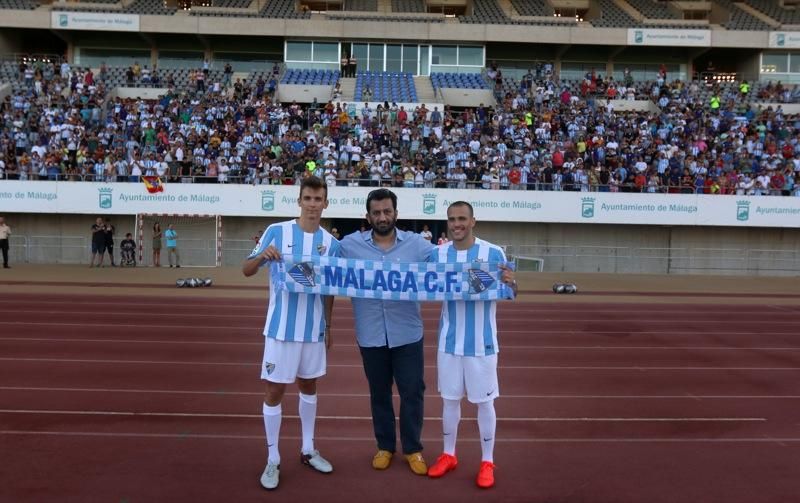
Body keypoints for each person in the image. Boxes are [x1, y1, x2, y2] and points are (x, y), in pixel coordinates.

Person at [243, 176, 339, 491]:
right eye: (308, 198)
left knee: (309, 387)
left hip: (313, 332)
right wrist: (262, 257)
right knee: (274, 392)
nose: (313, 204)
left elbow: (330, 290)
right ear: (299, 200)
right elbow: (246, 269)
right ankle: (273, 459)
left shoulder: (331, 244)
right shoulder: (277, 232)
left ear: (326, 203)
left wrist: (328, 324)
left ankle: (308, 448)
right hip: (280, 330)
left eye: (318, 199)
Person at [339, 188, 434, 475]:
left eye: (387, 211)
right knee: (379, 393)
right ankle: (385, 446)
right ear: (367, 216)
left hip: (407, 334)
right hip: (370, 334)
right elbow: (319, 265)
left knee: (412, 392)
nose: (382, 217)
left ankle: (413, 449)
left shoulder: (418, 246)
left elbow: (450, 267)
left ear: (396, 213)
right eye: (376, 212)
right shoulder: (348, 245)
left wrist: (491, 271)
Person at [426, 201, 516, 489]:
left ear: (473, 221)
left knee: (484, 402)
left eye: (462, 218)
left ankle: (487, 460)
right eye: (452, 219)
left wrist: (512, 283)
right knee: (449, 400)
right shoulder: (437, 254)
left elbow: (511, 290)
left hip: (482, 343)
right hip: (449, 342)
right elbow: (417, 282)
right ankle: (448, 454)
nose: (457, 224)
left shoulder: (493, 253)